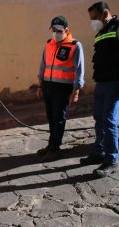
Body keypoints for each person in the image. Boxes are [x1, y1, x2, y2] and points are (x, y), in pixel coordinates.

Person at [80, 2, 119, 178]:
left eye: (94, 18)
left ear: (105, 13)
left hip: (115, 82)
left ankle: (111, 159)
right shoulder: (101, 32)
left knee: (109, 120)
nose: (93, 22)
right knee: (99, 118)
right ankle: (98, 151)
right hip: (101, 83)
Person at [36, 16, 85, 162]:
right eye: (53, 30)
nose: (56, 33)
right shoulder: (49, 44)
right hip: (48, 86)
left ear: (66, 30)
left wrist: (76, 90)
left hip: (62, 88)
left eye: (59, 31)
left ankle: (55, 149)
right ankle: (51, 145)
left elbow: (79, 70)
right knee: (51, 117)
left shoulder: (74, 45)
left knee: (58, 118)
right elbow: (43, 65)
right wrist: (40, 85)